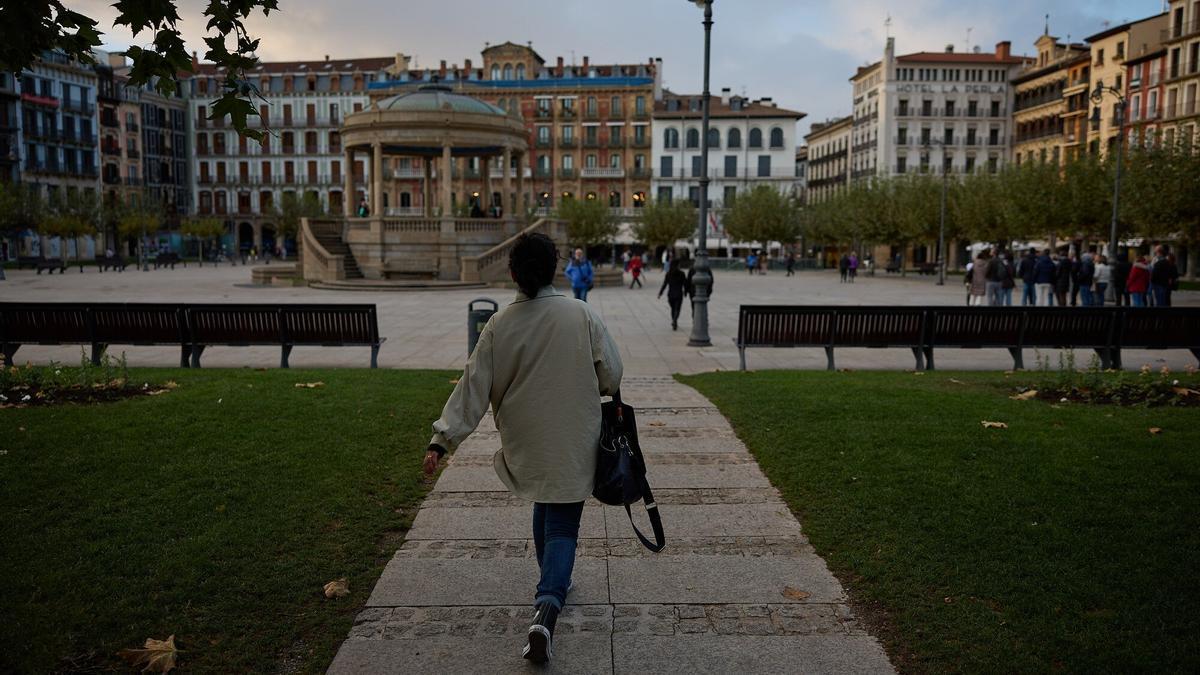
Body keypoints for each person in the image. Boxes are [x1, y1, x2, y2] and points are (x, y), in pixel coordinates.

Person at [423, 232, 622, 664]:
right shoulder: (581, 314)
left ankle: (553, 580)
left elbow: (472, 387)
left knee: (542, 501)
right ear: (555, 269)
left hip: (525, 439)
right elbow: (612, 376)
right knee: (563, 526)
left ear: (512, 273)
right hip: (574, 437)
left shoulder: (499, 325)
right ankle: (547, 607)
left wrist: (442, 439)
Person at [658, 258, 690, 331]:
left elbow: (664, 284)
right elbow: (685, 284)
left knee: (673, 308)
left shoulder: (668, 274)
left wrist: (660, 293)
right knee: (677, 309)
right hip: (679, 294)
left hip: (670, 294)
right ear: (678, 265)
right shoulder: (682, 273)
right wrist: (685, 292)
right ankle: (675, 320)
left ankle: (674, 320)